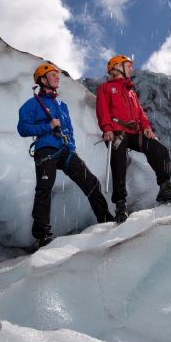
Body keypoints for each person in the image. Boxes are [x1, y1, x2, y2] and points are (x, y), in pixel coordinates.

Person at [18, 62, 114, 247]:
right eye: (53, 75)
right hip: (46, 149)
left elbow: (68, 129)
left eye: (57, 75)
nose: (57, 77)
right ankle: (42, 236)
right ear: (43, 80)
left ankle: (105, 220)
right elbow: (23, 128)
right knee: (44, 189)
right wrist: (47, 126)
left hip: (65, 151)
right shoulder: (32, 104)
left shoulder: (62, 105)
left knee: (91, 182)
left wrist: (71, 147)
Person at [95, 54, 171, 223]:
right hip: (116, 132)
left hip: (134, 132)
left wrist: (146, 127)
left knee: (159, 149)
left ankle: (165, 187)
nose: (131, 69)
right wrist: (106, 129)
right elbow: (102, 110)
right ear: (117, 67)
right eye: (128, 66)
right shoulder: (105, 88)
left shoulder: (130, 92)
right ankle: (120, 205)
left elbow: (140, 114)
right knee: (119, 163)